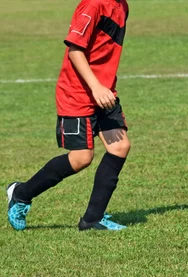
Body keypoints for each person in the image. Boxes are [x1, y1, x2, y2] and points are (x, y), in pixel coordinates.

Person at [7, 0, 131, 231]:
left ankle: (92, 219)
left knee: (120, 147)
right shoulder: (93, 5)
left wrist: (102, 87)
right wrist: (95, 87)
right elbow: (75, 50)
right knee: (82, 157)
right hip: (78, 92)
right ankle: (21, 194)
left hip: (104, 91)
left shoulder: (122, 5)